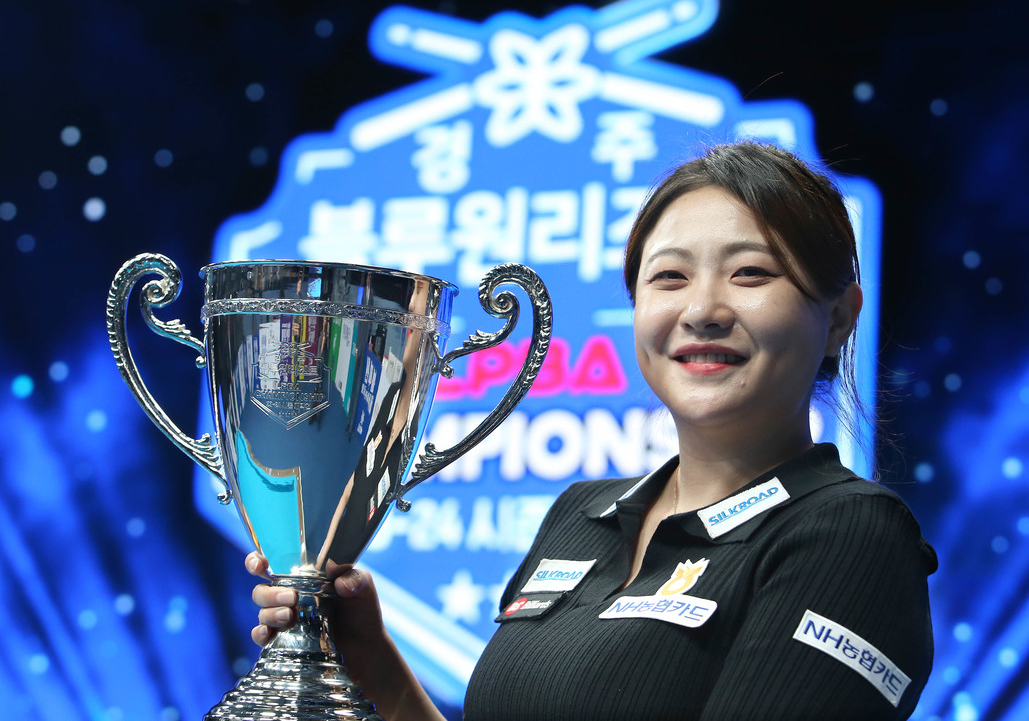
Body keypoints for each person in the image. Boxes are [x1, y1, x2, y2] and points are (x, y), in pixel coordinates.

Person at [248, 141, 937, 720]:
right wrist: (373, 666)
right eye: (669, 277)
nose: (701, 309)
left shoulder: (850, 535)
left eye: (750, 273)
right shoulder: (582, 514)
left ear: (839, 316)